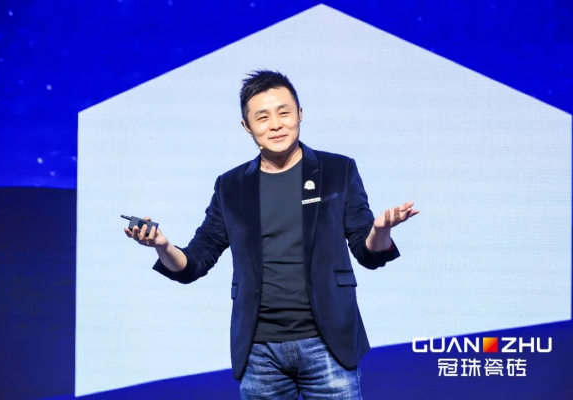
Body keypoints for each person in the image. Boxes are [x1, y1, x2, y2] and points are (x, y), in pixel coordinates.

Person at [124, 70, 418, 399]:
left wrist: (380, 230)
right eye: (262, 118)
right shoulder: (231, 186)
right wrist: (162, 246)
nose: (276, 125)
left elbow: (368, 253)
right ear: (247, 126)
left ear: (300, 114)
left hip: (329, 343)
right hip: (259, 353)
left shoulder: (338, 170)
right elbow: (194, 262)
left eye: (284, 113)